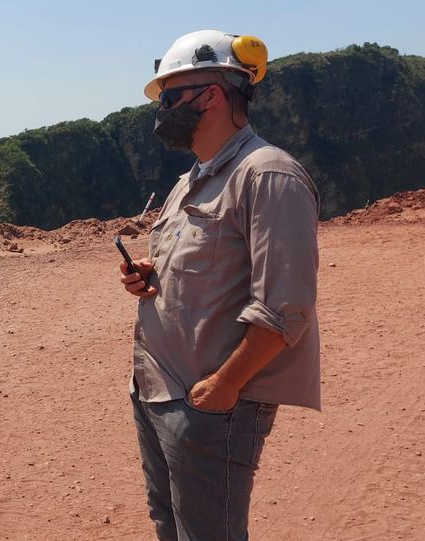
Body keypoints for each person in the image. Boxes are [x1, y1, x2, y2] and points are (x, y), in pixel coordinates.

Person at [120, 31, 321, 540]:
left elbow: (286, 308)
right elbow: (204, 265)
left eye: (169, 97)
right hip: (160, 390)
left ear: (209, 95)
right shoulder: (192, 179)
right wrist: (151, 275)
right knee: (171, 525)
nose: (162, 110)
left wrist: (223, 387)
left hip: (210, 406)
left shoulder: (269, 175)